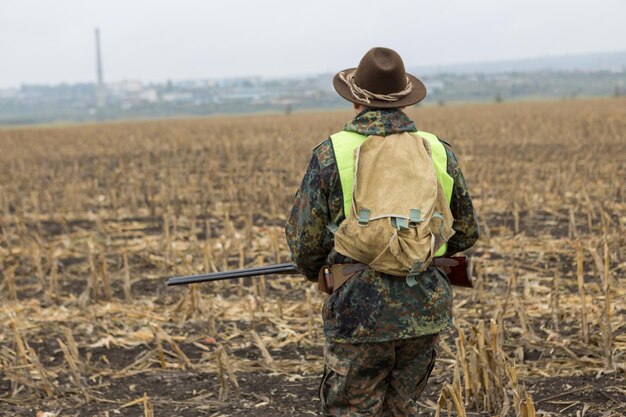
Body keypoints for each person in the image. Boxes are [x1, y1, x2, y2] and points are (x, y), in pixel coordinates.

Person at [285, 47, 479, 417]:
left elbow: (305, 241)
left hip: (359, 312)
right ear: (405, 100)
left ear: (357, 101)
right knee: (401, 409)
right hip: (424, 311)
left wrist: (321, 274)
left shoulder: (332, 154)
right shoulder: (437, 151)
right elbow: (465, 232)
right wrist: (418, 251)